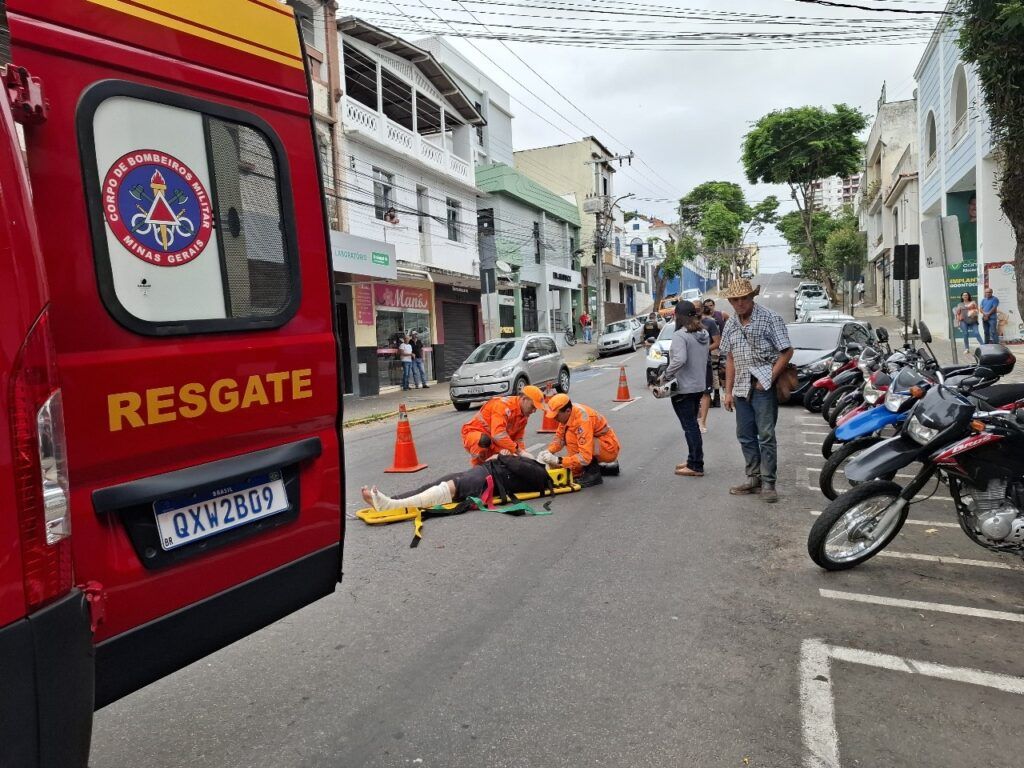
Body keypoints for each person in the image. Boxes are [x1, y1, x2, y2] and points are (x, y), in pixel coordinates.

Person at [719, 278, 794, 504]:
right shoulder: (731, 324)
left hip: (763, 386)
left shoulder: (770, 318)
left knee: (766, 435)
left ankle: (769, 482)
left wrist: (768, 379)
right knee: (745, 435)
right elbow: (730, 358)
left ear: (752, 297)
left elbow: (787, 352)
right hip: (741, 387)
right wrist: (728, 391)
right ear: (730, 301)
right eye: (734, 299)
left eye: (743, 298)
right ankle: (754, 478)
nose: (739, 303)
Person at [361, 453, 555, 512]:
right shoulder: (535, 465)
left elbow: (518, 467)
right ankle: (389, 500)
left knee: (450, 487)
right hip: (484, 472)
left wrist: (506, 456)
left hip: (488, 481)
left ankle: (390, 505)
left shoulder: (541, 473)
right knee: (435, 484)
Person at [663, 300, 711, 477]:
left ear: (677, 315)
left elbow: (680, 359)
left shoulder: (680, 335)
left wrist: (666, 375)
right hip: (698, 385)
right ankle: (693, 459)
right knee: (693, 424)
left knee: (689, 426)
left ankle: (696, 465)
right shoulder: (703, 333)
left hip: (684, 388)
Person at [537, 394, 620, 487]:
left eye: (556, 416)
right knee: (569, 434)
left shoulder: (582, 420)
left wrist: (559, 461)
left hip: (609, 448)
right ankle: (602, 469)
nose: (554, 419)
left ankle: (591, 475)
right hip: (601, 445)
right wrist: (548, 451)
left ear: (567, 411)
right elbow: (559, 438)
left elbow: (584, 457)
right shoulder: (568, 415)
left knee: (571, 437)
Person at [460, 386, 545, 466]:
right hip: (476, 434)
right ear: (524, 399)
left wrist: (523, 455)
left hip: (495, 441)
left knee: (509, 458)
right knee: (483, 441)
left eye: (536, 408)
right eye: (532, 406)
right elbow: (498, 435)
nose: (534, 411)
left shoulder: (523, 415)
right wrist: (520, 452)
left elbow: (518, 439)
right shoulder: (503, 406)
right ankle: (477, 469)